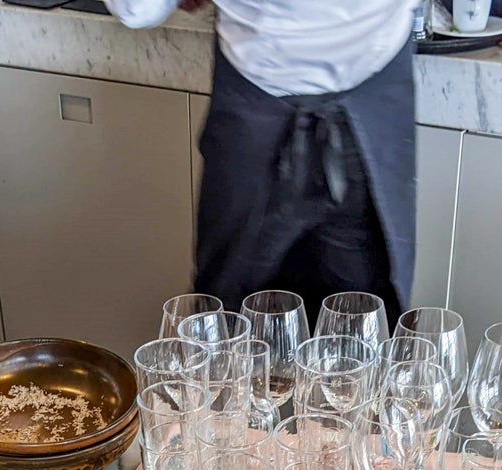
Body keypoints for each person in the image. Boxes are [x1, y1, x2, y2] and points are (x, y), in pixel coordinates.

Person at [106, 0, 417, 320]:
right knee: (362, 331)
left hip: (257, 122)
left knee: (230, 334)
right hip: (372, 120)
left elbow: (137, 9)